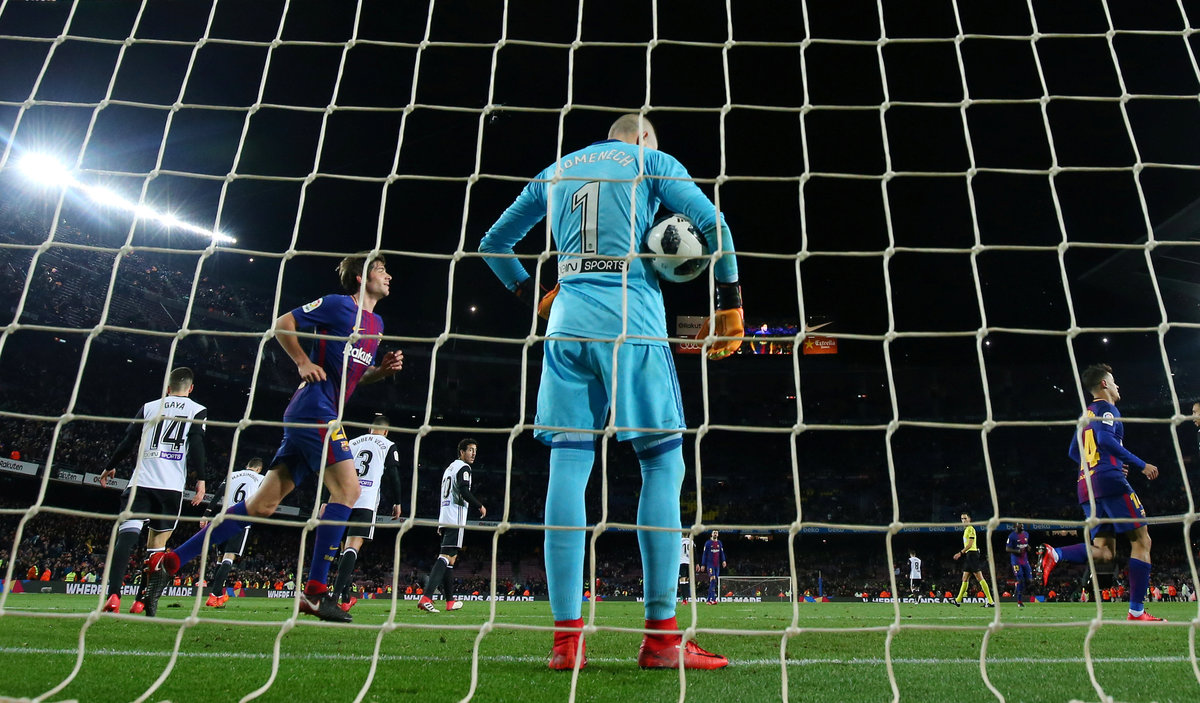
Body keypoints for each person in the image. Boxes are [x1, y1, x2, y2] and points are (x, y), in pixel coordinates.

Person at [479, 113, 741, 671]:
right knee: (662, 464)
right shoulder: (651, 162)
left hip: (566, 325)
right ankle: (662, 640)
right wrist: (730, 305)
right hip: (631, 322)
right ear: (644, 137)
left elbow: (493, 245)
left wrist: (535, 295)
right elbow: (715, 225)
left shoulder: (556, 170)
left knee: (567, 467)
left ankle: (566, 643)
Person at [139, 253, 403, 623]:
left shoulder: (377, 324)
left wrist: (380, 371)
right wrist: (302, 361)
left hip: (320, 413)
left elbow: (355, 375)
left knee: (261, 506)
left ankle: (168, 562)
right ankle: (316, 592)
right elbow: (282, 324)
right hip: (314, 409)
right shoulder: (337, 305)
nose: (388, 276)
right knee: (348, 491)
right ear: (361, 277)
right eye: (381, 269)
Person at [1041, 363, 1162, 621]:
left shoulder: (1085, 415)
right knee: (1142, 542)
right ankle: (1136, 611)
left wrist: (1099, 466)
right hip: (1109, 483)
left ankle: (1056, 553)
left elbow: (1073, 451)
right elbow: (1106, 440)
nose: (1118, 386)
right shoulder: (1108, 409)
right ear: (1104, 384)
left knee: (1105, 551)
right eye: (1114, 381)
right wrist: (1141, 465)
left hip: (1086, 486)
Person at [98, 366, 209, 615]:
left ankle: (114, 595)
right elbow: (197, 444)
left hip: (141, 482)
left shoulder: (149, 407)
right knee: (156, 547)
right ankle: (140, 601)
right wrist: (201, 479)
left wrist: (110, 465)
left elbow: (128, 440)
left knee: (126, 537)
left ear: (168, 388)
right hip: (170, 488)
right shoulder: (197, 409)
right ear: (191, 388)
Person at [331, 414, 403, 613]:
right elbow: (393, 474)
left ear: (369, 429)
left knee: (344, 548)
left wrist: (327, 500)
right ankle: (334, 597)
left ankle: (346, 597)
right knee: (353, 546)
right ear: (386, 431)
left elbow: (336, 470)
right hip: (365, 500)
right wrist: (397, 502)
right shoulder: (388, 445)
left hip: (343, 499)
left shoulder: (352, 442)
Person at [418, 439, 485, 613]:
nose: (473, 453)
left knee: (451, 558)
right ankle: (426, 597)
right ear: (461, 452)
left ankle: (450, 601)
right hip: (455, 517)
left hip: (446, 515)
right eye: (470, 450)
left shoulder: (450, 468)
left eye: (475, 450)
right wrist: (479, 505)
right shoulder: (464, 468)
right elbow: (464, 490)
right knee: (445, 556)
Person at [199, 457, 266, 608]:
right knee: (229, 557)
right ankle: (215, 595)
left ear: (247, 465)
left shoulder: (232, 475)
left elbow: (218, 494)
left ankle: (216, 595)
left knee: (220, 558)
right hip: (241, 520)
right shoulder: (260, 479)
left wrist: (206, 514)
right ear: (258, 469)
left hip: (223, 518)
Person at [951, 512, 995, 608]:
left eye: (965, 518)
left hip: (972, 555)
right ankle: (958, 600)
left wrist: (960, 553)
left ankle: (991, 602)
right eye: (962, 519)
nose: (963, 520)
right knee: (964, 578)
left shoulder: (971, 529)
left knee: (980, 578)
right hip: (969, 555)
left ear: (969, 519)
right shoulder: (966, 529)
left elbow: (970, 544)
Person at [1005, 522, 1031, 608]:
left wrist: (1028, 547)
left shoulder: (1026, 534)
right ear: (1015, 526)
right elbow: (1007, 548)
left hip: (1025, 561)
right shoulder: (1012, 536)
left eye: (1022, 524)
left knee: (1030, 580)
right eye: (1020, 524)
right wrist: (1017, 551)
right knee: (1020, 579)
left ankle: (1020, 587)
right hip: (1016, 561)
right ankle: (1019, 601)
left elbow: (1025, 544)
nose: (1022, 525)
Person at [702, 530, 727, 605]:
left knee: (714, 581)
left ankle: (708, 600)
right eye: (714, 533)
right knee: (713, 579)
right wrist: (703, 564)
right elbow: (704, 554)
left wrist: (723, 560)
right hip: (710, 565)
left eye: (716, 533)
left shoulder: (719, 543)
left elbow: (721, 553)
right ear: (711, 534)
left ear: (718, 534)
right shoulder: (708, 543)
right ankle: (713, 599)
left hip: (717, 565)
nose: (715, 534)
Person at [678, 534, 693, 602]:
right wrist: (697, 563)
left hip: (681, 562)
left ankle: (684, 598)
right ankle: (686, 597)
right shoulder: (691, 541)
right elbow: (694, 552)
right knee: (687, 580)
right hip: (689, 562)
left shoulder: (679, 541)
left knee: (682, 580)